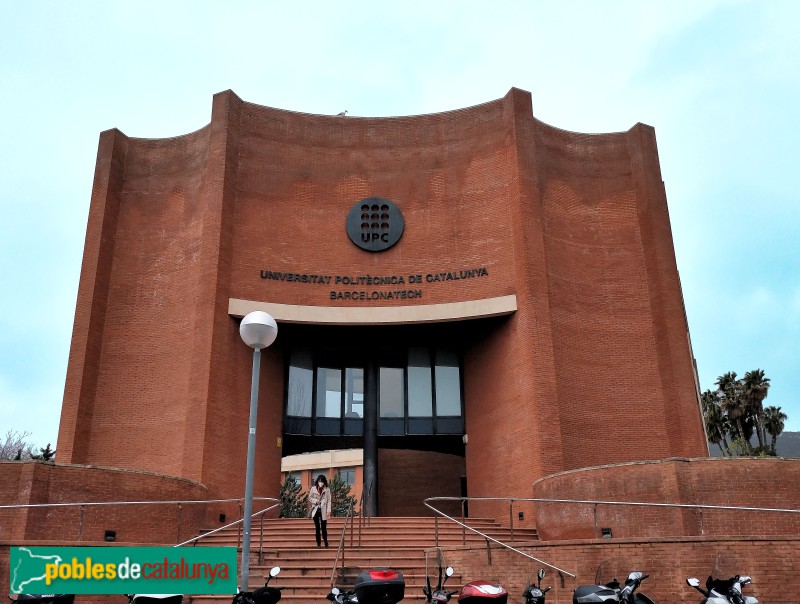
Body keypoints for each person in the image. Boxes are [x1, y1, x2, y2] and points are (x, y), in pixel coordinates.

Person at [308, 474, 331, 547]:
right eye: (319, 481)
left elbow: (329, 500)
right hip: (315, 510)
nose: (320, 483)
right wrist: (315, 501)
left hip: (323, 511)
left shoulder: (327, 489)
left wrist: (328, 510)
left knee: (324, 528)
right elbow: (310, 498)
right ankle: (318, 543)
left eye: (322, 481)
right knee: (317, 528)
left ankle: (326, 542)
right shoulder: (313, 488)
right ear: (317, 481)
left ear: (324, 482)